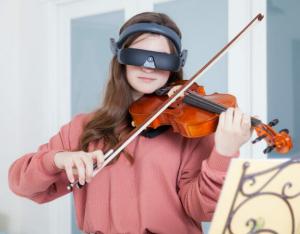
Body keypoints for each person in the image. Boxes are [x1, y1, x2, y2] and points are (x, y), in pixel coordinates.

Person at [8, 12, 252, 234]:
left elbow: (202, 209)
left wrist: (224, 152)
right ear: (120, 58)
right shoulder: (84, 128)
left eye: (161, 60)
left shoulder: (188, 129)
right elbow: (22, 184)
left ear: (175, 65)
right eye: (139, 55)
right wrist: (57, 159)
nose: (149, 67)